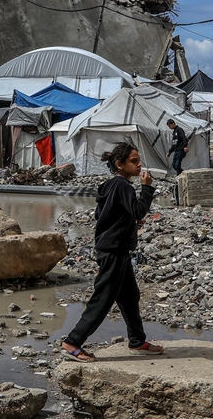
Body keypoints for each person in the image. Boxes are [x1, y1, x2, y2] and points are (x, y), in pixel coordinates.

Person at [60, 142, 163, 361]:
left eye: (138, 160)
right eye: (134, 161)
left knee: (130, 297)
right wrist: (146, 188)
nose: (139, 165)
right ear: (119, 164)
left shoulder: (109, 185)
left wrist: (129, 222)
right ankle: (72, 342)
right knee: (103, 299)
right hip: (114, 251)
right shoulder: (123, 186)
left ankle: (137, 341)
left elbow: (106, 215)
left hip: (117, 249)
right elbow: (138, 210)